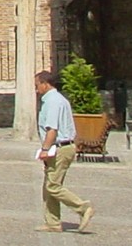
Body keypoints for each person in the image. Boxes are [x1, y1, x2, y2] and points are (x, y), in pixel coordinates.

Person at [34, 70, 94, 233]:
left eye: (37, 85)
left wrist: (45, 150)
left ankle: (83, 207)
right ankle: (53, 223)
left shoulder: (53, 102)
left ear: (45, 84)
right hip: (62, 147)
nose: (36, 89)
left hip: (59, 148)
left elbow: (52, 129)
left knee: (53, 186)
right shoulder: (58, 99)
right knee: (49, 187)